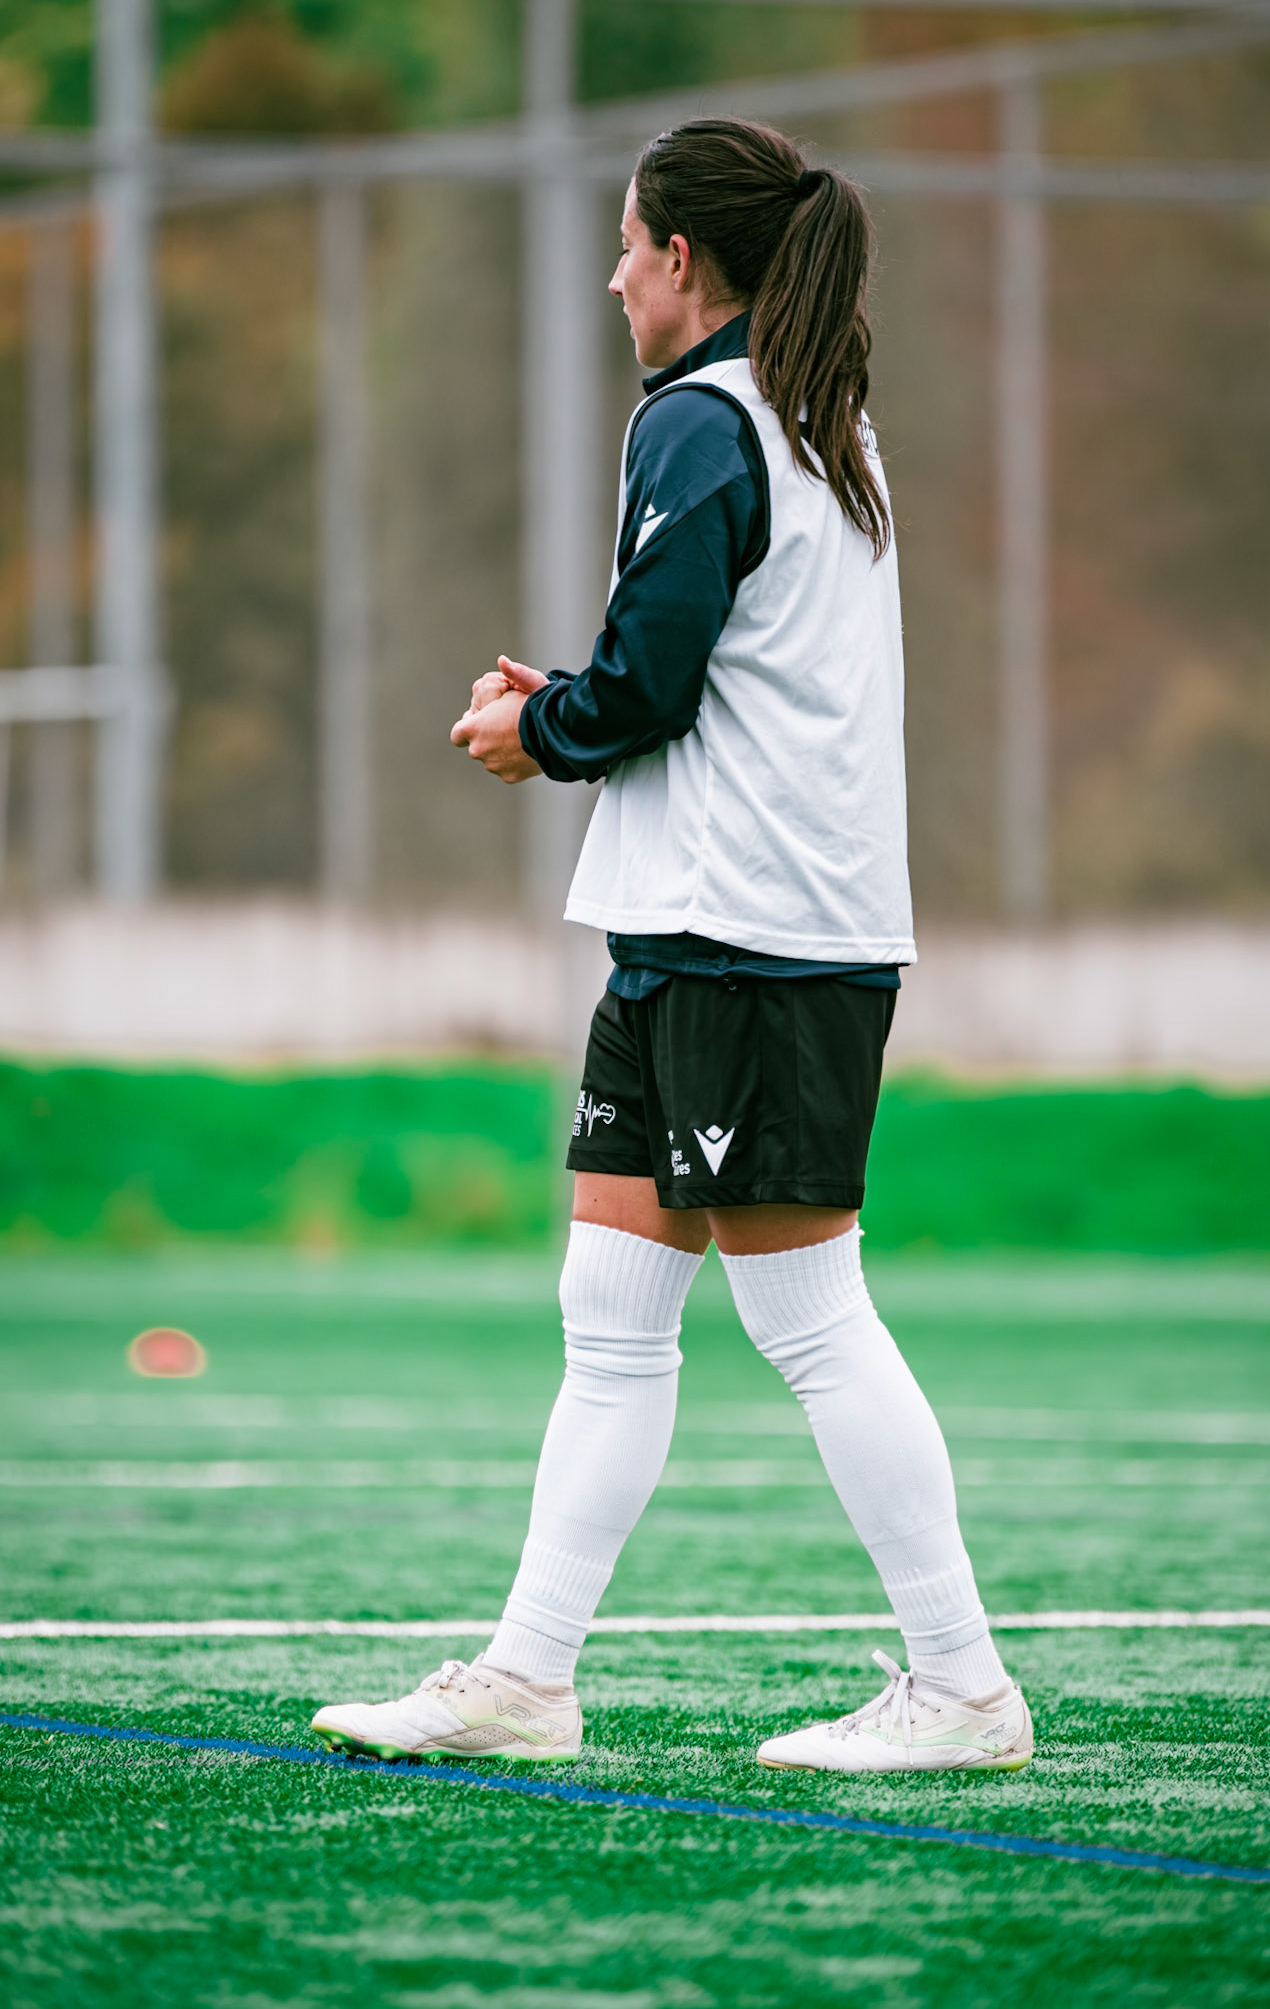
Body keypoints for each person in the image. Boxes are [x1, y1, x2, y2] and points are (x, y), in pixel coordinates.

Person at [312, 118, 1032, 1776]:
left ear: (684, 260)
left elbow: (648, 687)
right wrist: (569, 702)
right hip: (693, 930)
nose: (615, 272)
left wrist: (532, 726)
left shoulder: (704, 420)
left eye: (629, 243)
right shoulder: (805, 416)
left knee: (809, 1319)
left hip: (752, 939)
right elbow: (698, 660)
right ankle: (526, 1675)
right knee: (611, 1307)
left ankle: (964, 1688)